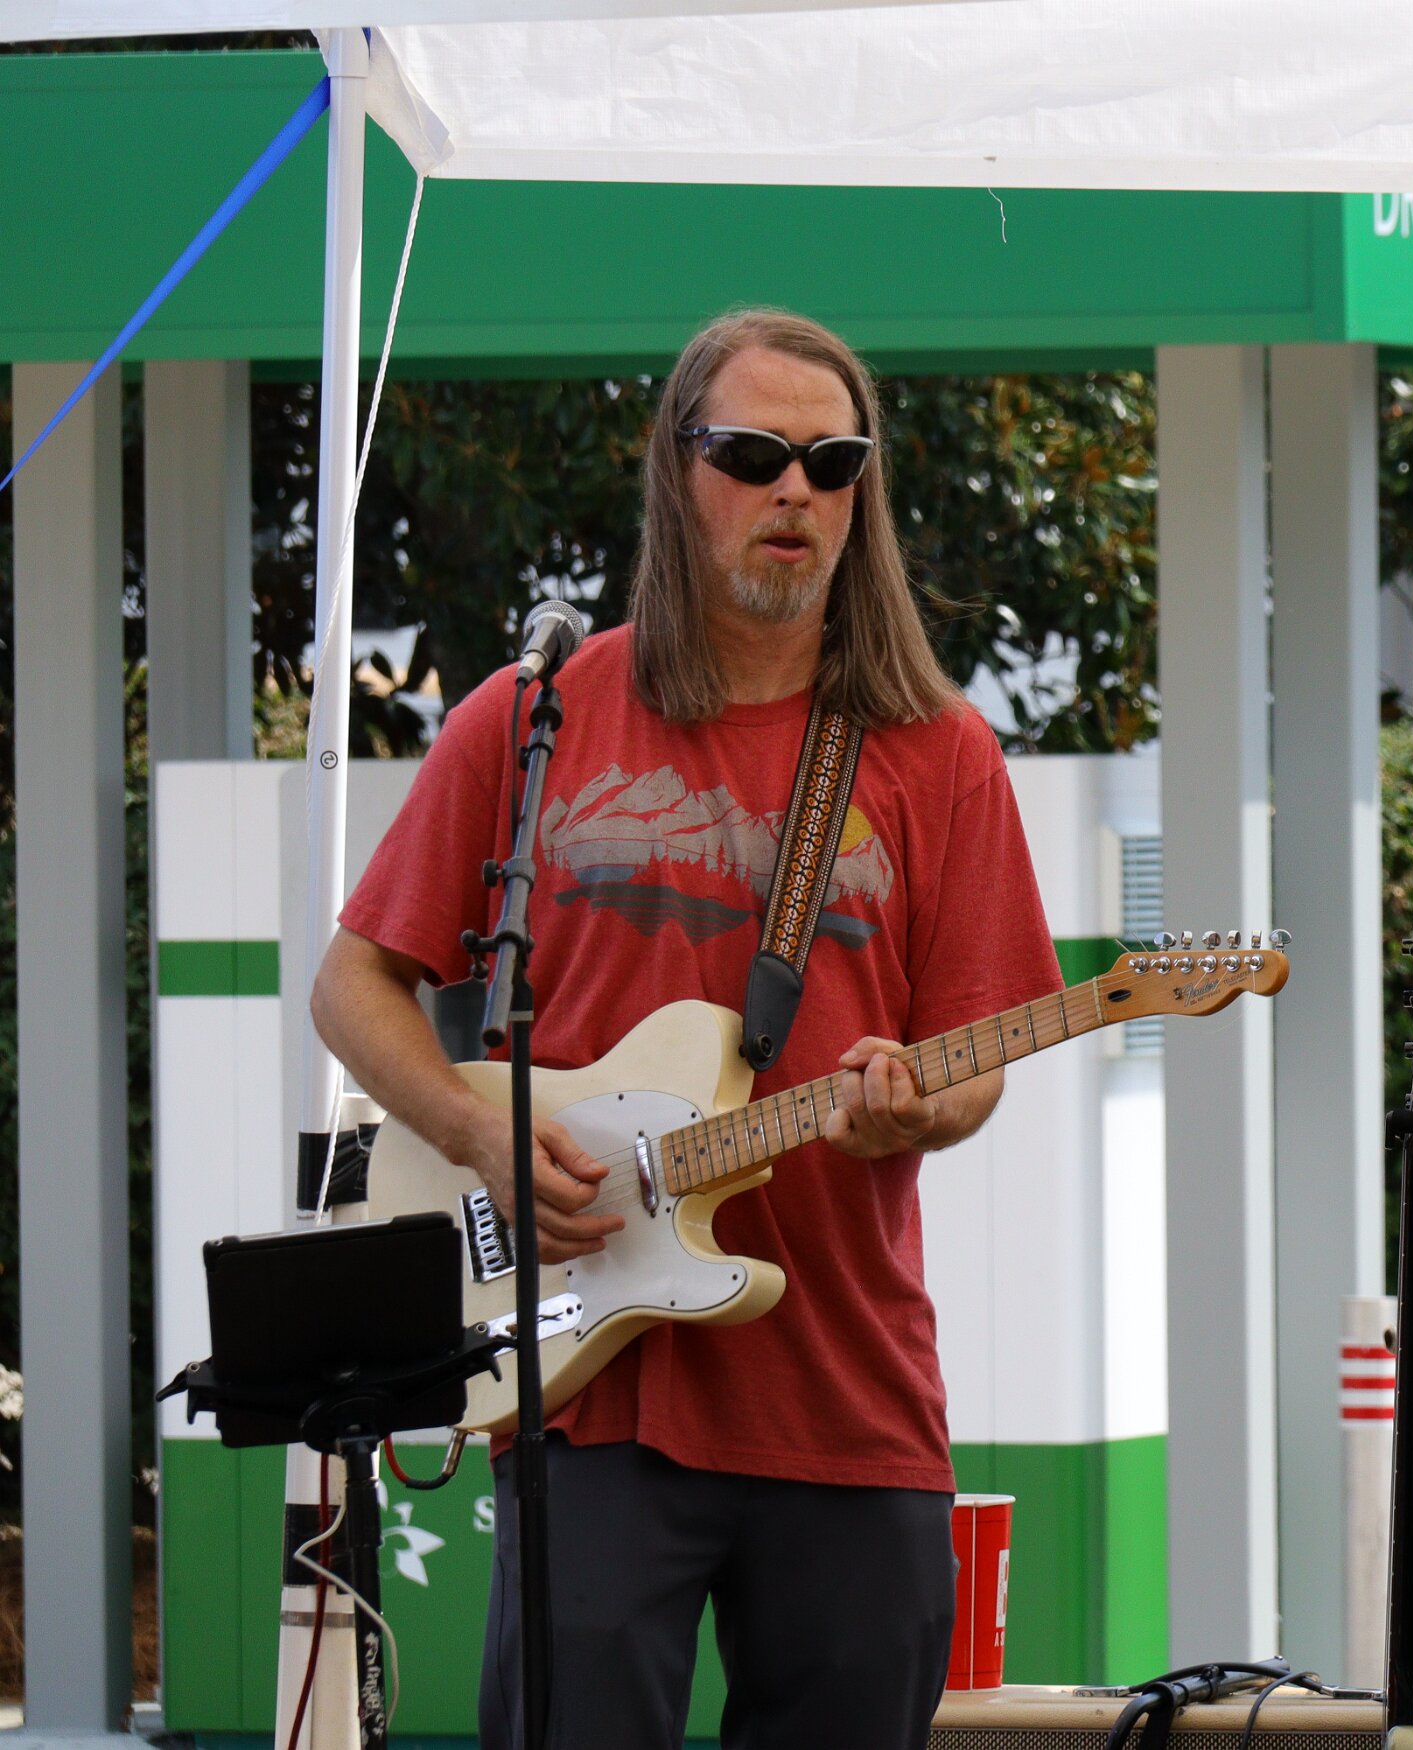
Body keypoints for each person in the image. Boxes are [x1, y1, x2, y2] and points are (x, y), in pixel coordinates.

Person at [311, 307, 1061, 1749]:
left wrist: (921, 1104)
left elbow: (977, 1056)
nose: (796, 490)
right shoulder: (536, 715)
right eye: (754, 454)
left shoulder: (937, 749)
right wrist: (477, 1131)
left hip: (846, 1388)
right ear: (676, 467)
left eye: (833, 462)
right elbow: (353, 984)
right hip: (590, 1389)